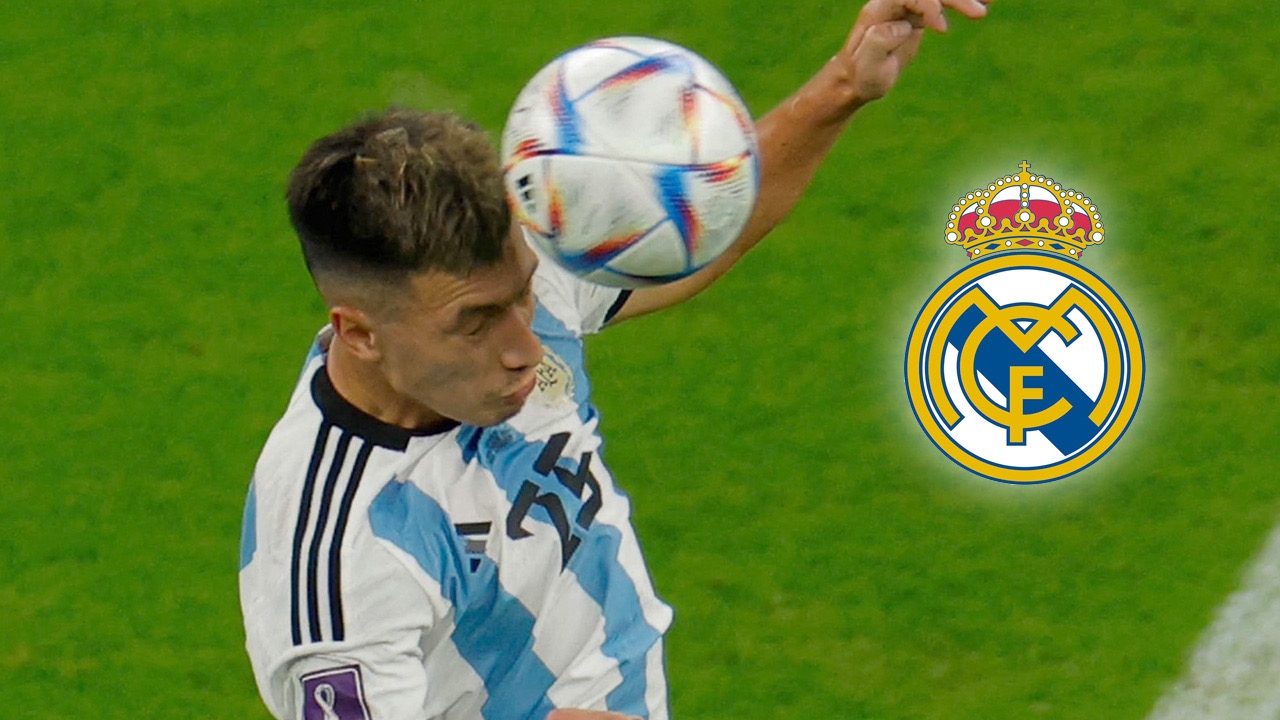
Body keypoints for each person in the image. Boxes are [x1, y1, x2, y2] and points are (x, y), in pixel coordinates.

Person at [238, 1, 991, 718]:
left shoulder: (499, 277)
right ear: (360, 333)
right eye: (476, 325)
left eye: (525, 294)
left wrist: (844, 87)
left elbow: (696, 224)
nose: (527, 348)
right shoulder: (339, 568)